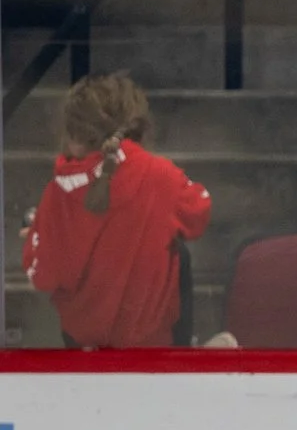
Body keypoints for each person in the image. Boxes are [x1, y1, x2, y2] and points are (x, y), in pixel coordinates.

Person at [19, 71, 210, 349]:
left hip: (82, 346)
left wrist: (39, 237)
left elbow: (43, 276)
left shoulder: (58, 194)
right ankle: (189, 349)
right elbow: (198, 215)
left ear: (73, 135)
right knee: (178, 252)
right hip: (155, 348)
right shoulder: (162, 176)